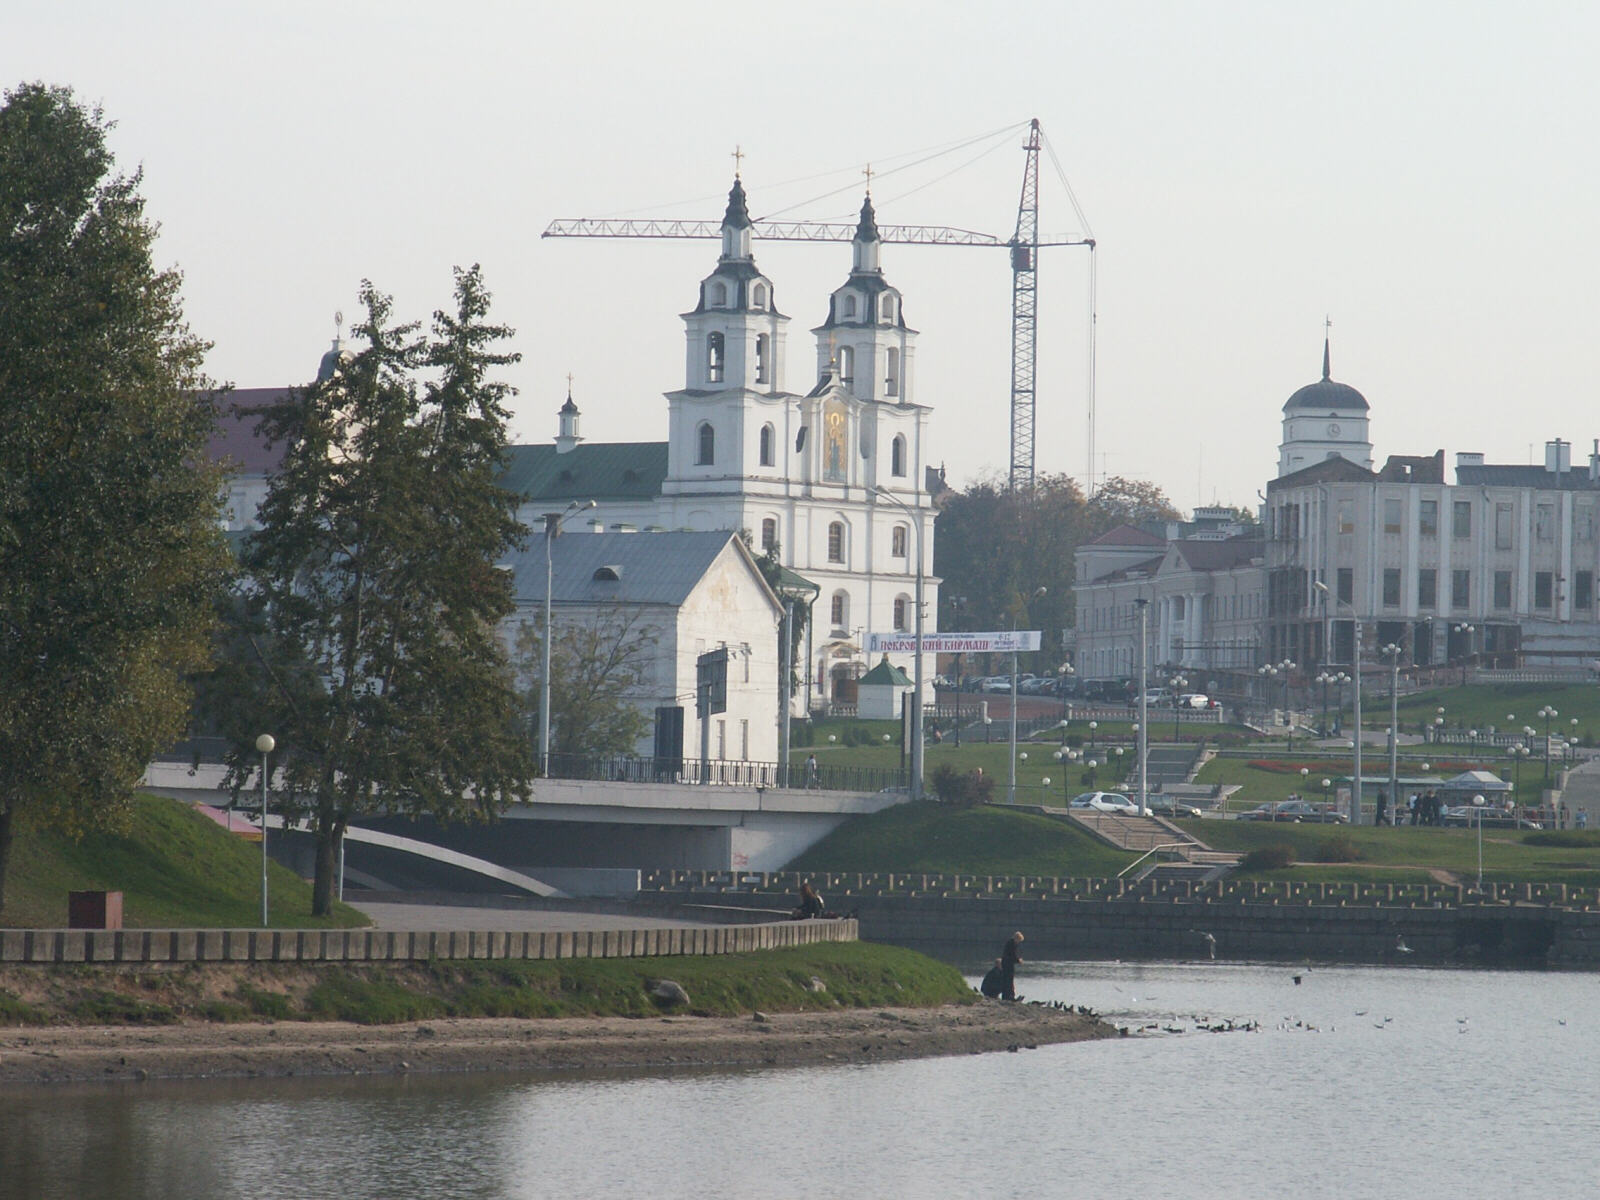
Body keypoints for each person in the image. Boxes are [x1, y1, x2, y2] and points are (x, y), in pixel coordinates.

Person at [1000, 931, 1024, 1001]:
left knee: (1007, 980)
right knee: (1009, 980)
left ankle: (1006, 996)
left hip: (1006, 963)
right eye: (1019, 940)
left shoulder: (1010, 943)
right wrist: (1018, 960)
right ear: (1017, 938)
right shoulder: (1012, 944)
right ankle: (1009, 996)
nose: (1019, 942)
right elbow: (1012, 955)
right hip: (1008, 964)